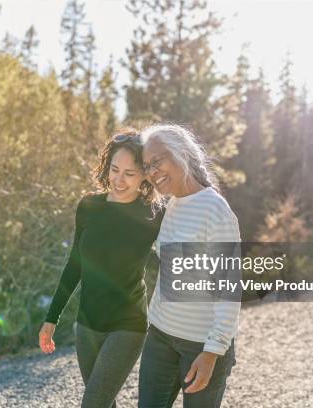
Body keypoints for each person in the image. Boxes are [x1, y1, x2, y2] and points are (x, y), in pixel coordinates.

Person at [39, 129, 163, 408]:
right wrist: (52, 317)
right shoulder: (89, 207)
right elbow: (75, 264)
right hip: (86, 326)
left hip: (128, 325)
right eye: (114, 169)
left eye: (130, 173)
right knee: (104, 403)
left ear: (145, 175)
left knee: (93, 403)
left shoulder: (153, 215)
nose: (119, 180)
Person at [138, 124, 241, 408]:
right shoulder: (169, 206)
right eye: (147, 166)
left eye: (157, 161)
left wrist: (212, 353)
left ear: (181, 153)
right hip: (159, 337)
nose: (152, 171)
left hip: (200, 346)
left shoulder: (215, 210)